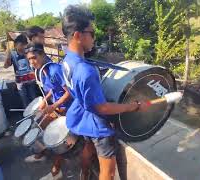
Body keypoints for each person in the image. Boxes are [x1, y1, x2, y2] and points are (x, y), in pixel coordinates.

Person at [61, 5, 150, 180]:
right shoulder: (85, 71)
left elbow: (74, 89)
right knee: (108, 172)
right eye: (92, 33)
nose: (95, 38)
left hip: (80, 118)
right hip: (97, 126)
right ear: (78, 35)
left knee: (88, 147)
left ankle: (84, 175)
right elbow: (101, 108)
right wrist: (131, 107)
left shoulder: (67, 60)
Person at [24, 43, 73, 179]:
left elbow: (70, 93)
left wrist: (54, 105)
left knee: (57, 140)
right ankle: (41, 154)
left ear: (42, 54)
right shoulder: (42, 71)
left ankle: (56, 172)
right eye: (29, 59)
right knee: (39, 126)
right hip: (57, 107)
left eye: (34, 57)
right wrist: (45, 100)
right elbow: (53, 88)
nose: (32, 62)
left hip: (68, 109)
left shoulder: (55, 70)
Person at [4, 34, 37, 108]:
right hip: (20, 81)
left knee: (34, 98)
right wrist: (8, 57)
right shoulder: (12, 54)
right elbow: (6, 66)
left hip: (30, 79)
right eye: (21, 45)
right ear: (15, 45)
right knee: (24, 99)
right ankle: (29, 116)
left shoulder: (28, 51)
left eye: (24, 45)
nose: (23, 47)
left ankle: (37, 114)